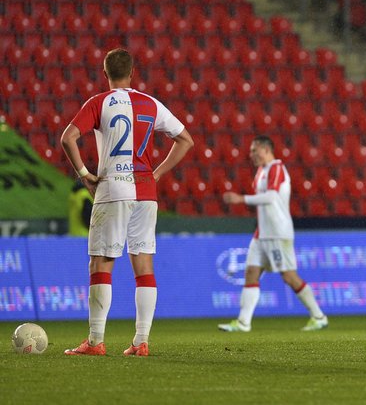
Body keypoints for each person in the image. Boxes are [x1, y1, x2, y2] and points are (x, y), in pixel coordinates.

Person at [60, 48, 194, 356]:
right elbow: (186, 139)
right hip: (146, 192)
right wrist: (157, 173)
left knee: (101, 263)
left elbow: (68, 137)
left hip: (113, 189)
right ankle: (141, 341)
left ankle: (95, 342)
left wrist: (84, 174)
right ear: (133, 73)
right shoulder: (150, 104)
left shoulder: (98, 102)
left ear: (104, 73)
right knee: (143, 264)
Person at [218, 136, 329, 333]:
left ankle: (318, 316)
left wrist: (241, 199)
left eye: (254, 150)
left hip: (278, 233)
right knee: (251, 273)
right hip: (262, 233)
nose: (251, 155)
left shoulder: (276, 167)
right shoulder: (261, 171)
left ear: (266, 149)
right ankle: (244, 322)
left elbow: (271, 197)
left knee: (289, 277)